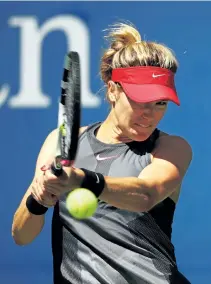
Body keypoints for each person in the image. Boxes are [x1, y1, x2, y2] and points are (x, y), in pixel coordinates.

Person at [12, 22, 193, 284]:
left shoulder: (171, 148)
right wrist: (39, 199)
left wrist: (81, 180)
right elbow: (21, 236)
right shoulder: (60, 142)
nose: (150, 114)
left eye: (160, 103)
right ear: (112, 90)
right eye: (140, 100)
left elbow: (146, 194)